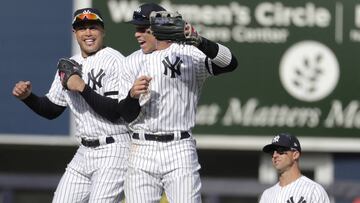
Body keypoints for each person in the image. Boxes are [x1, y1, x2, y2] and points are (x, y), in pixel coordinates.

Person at [77, 3, 237, 202]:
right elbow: (126, 114)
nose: (137, 34)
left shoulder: (188, 53)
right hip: (141, 147)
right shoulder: (131, 62)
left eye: (143, 29)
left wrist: (199, 40)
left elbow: (230, 63)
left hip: (179, 147)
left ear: (160, 27)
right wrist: (132, 97)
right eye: (136, 29)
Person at [12, 8, 143, 203]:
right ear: (75, 33)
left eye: (93, 27)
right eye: (81, 28)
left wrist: (82, 88)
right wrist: (28, 97)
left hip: (114, 148)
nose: (88, 33)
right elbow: (52, 110)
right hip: (84, 150)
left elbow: (117, 112)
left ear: (103, 31)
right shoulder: (69, 64)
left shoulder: (115, 60)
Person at [259, 133, 330, 203]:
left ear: (295, 155)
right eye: (272, 152)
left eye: (280, 150)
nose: (274, 155)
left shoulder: (313, 190)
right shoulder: (267, 195)